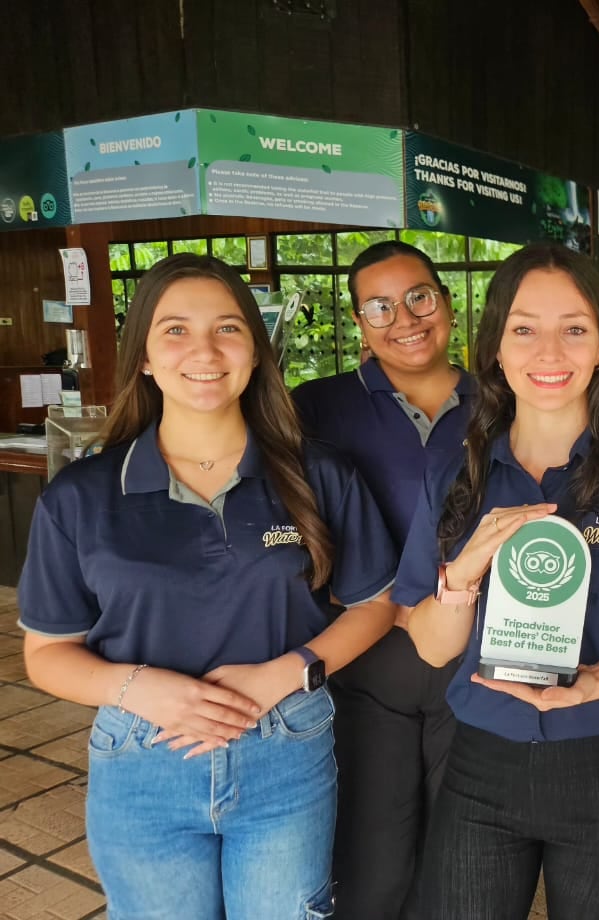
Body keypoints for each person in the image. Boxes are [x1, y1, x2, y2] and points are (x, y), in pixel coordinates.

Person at [17, 253, 398, 919]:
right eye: (174, 330)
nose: (204, 351)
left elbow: (377, 604)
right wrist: (141, 688)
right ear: (142, 356)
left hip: (285, 748)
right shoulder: (82, 496)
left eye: (227, 328)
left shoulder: (316, 474)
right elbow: (47, 653)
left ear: (255, 349)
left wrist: (283, 673)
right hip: (142, 760)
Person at [393, 242, 599, 919]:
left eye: (573, 328)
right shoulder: (452, 475)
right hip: (481, 763)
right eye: (524, 329)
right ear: (495, 349)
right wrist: (462, 576)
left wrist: (596, 681)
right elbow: (428, 646)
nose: (549, 352)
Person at [293, 240, 474, 919]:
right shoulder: (318, 407)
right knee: (372, 861)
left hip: (472, 661)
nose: (404, 317)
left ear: (447, 303)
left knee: (459, 857)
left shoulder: (501, 400)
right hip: (367, 662)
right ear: (359, 323)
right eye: (379, 306)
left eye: (419, 296)